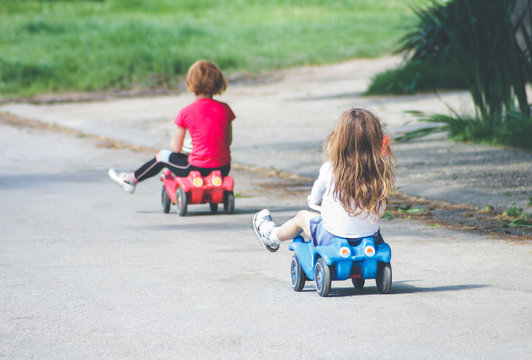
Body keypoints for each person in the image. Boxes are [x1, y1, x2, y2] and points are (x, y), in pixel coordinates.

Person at [253, 108, 394, 252]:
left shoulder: (332, 169)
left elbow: (316, 196)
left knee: (302, 217)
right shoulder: (378, 172)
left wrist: (313, 201)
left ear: (340, 140)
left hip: (331, 237)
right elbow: (381, 207)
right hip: (372, 238)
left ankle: (272, 236)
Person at [108, 60, 236, 193]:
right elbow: (228, 142)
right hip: (223, 168)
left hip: (196, 168)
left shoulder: (186, 112)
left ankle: (131, 180)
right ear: (218, 82)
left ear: (190, 83)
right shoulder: (225, 109)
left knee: (162, 156)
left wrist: (176, 143)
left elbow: (176, 148)